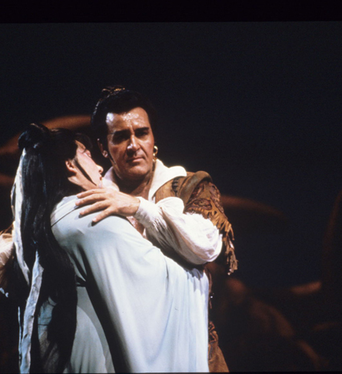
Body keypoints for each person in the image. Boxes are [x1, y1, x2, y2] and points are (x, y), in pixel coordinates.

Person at [0, 123, 215, 372]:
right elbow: (156, 280)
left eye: (141, 133)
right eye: (87, 155)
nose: (98, 167)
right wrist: (197, 278)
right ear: (69, 165)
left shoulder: (45, 219)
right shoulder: (90, 216)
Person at [75, 85, 237, 371]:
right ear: (103, 148)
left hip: (188, 346)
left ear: (153, 139)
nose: (133, 145)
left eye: (141, 133)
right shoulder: (89, 195)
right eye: (121, 137)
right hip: (117, 349)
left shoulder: (188, 186)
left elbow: (206, 245)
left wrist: (138, 208)